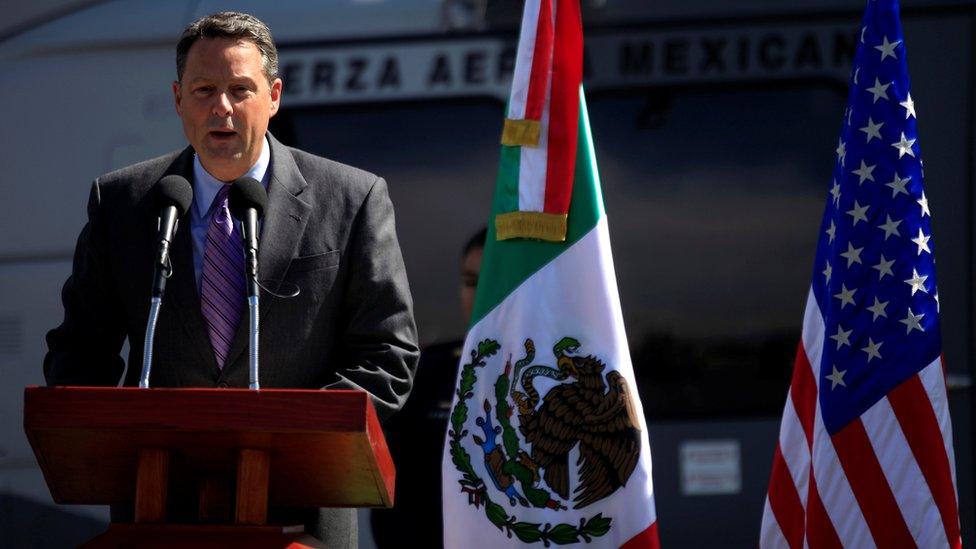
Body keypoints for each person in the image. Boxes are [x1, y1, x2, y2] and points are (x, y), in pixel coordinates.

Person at [43, 12, 419, 546]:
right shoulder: (124, 203)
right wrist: (97, 429)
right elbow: (80, 348)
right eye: (204, 89)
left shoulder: (350, 199)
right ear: (178, 100)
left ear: (275, 96)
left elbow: (388, 352)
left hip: (303, 520)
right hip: (155, 511)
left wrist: (301, 444)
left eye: (241, 89)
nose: (222, 107)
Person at [371, 227, 485, 548]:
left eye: (491, 281)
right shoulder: (428, 371)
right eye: (470, 282)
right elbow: (395, 499)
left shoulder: (555, 378)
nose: (478, 294)